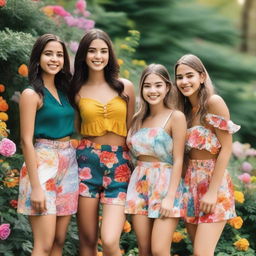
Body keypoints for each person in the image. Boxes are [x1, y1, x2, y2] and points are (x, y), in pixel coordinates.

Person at [69, 28, 135, 256]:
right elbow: (77, 128)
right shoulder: (76, 89)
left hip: (120, 163)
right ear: (84, 56)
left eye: (103, 51)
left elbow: (132, 132)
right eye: (92, 51)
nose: (98, 56)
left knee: (108, 240)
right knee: (87, 240)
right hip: (86, 162)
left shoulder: (125, 87)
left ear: (110, 55)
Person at [17, 34, 79, 256]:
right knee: (43, 245)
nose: (54, 59)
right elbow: (26, 140)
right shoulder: (31, 94)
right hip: (43, 163)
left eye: (59, 55)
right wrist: (36, 187)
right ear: (38, 58)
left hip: (69, 164)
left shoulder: (66, 92)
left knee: (58, 242)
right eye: (48, 53)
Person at [174, 54, 240, 256]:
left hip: (213, 182)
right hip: (190, 183)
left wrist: (212, 192)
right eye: (179, 77)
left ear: (202, 77)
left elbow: (226, 148)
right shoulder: (183, 110)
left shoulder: (213, 102)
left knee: (202, 252)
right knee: (199, 251)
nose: (184, 81)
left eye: (189, 75)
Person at [125, 64, 186, 256]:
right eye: (147, 86)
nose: (153, 90)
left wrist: (169, 197)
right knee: (144, 250)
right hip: (139, 184)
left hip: (166, 184)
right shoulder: (136, 119)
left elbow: (178, 159)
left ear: (167, 87)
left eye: (158, 85)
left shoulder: (175, 117)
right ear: (141, 88)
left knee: (159, 250)